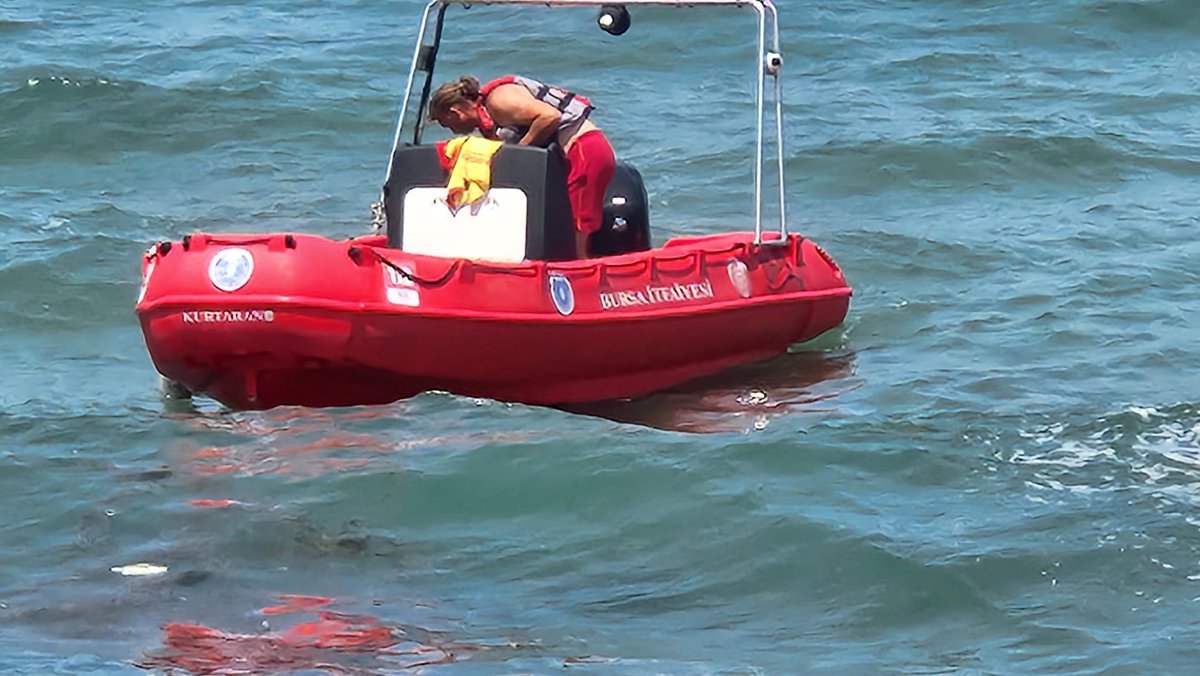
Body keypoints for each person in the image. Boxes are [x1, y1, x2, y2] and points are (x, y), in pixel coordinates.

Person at [429, 75, 616, 258]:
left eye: (448, 125)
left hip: (585, 150)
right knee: (564, 222)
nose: (452, 131)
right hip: (572, 156)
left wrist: (518, 154)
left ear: (455, 113)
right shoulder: (488, 117)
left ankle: (582, 272)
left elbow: (549, 117)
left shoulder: (498, 100)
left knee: (578, 225)